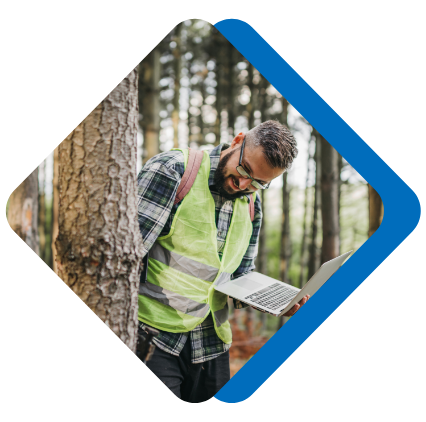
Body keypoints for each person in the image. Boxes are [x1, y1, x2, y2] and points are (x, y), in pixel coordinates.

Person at [136, 120, 309, 402]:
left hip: (211, 344)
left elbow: (240, 274)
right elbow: (127, 254)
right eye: (244, 170)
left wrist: (275, 302)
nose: (243, 184)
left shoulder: (253, 202)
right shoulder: (173, 170)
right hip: (152, 336)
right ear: (238, 140)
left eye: (258, 183)